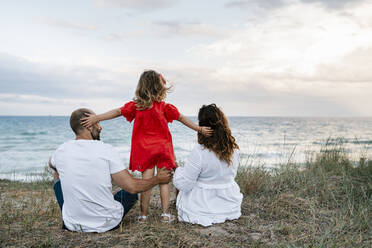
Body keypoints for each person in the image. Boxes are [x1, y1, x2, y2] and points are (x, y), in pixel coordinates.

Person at [81, 70, 212, 223]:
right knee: (164, 181)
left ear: (142, 87)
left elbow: (117, 112)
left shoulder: (136, 106)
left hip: (144, 149)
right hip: (163, 148)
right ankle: (165, 214)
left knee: (147, 182)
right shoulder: (165, 107)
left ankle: (143, 216)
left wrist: (97, 117)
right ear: (159, 87)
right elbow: (181, 118)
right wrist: (199, 129)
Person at [49, 108, 173, 232]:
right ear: (88, 126)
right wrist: (158, 179)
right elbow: (132, 187)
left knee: (57, 174)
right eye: (97, 123)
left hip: (72, 224)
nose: (100, 127)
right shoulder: (106, 150)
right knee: (130, 194)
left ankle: (77, 212)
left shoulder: (61, 150)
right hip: (107, 222)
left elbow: (52, 164)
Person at [173, 104, 243, 227]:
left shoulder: (200, 151)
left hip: (201, 207)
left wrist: (177, 169)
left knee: (182, 177)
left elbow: (185, 184)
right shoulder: (233, 149)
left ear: (203, 126)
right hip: (229, 205)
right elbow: (229, 176)